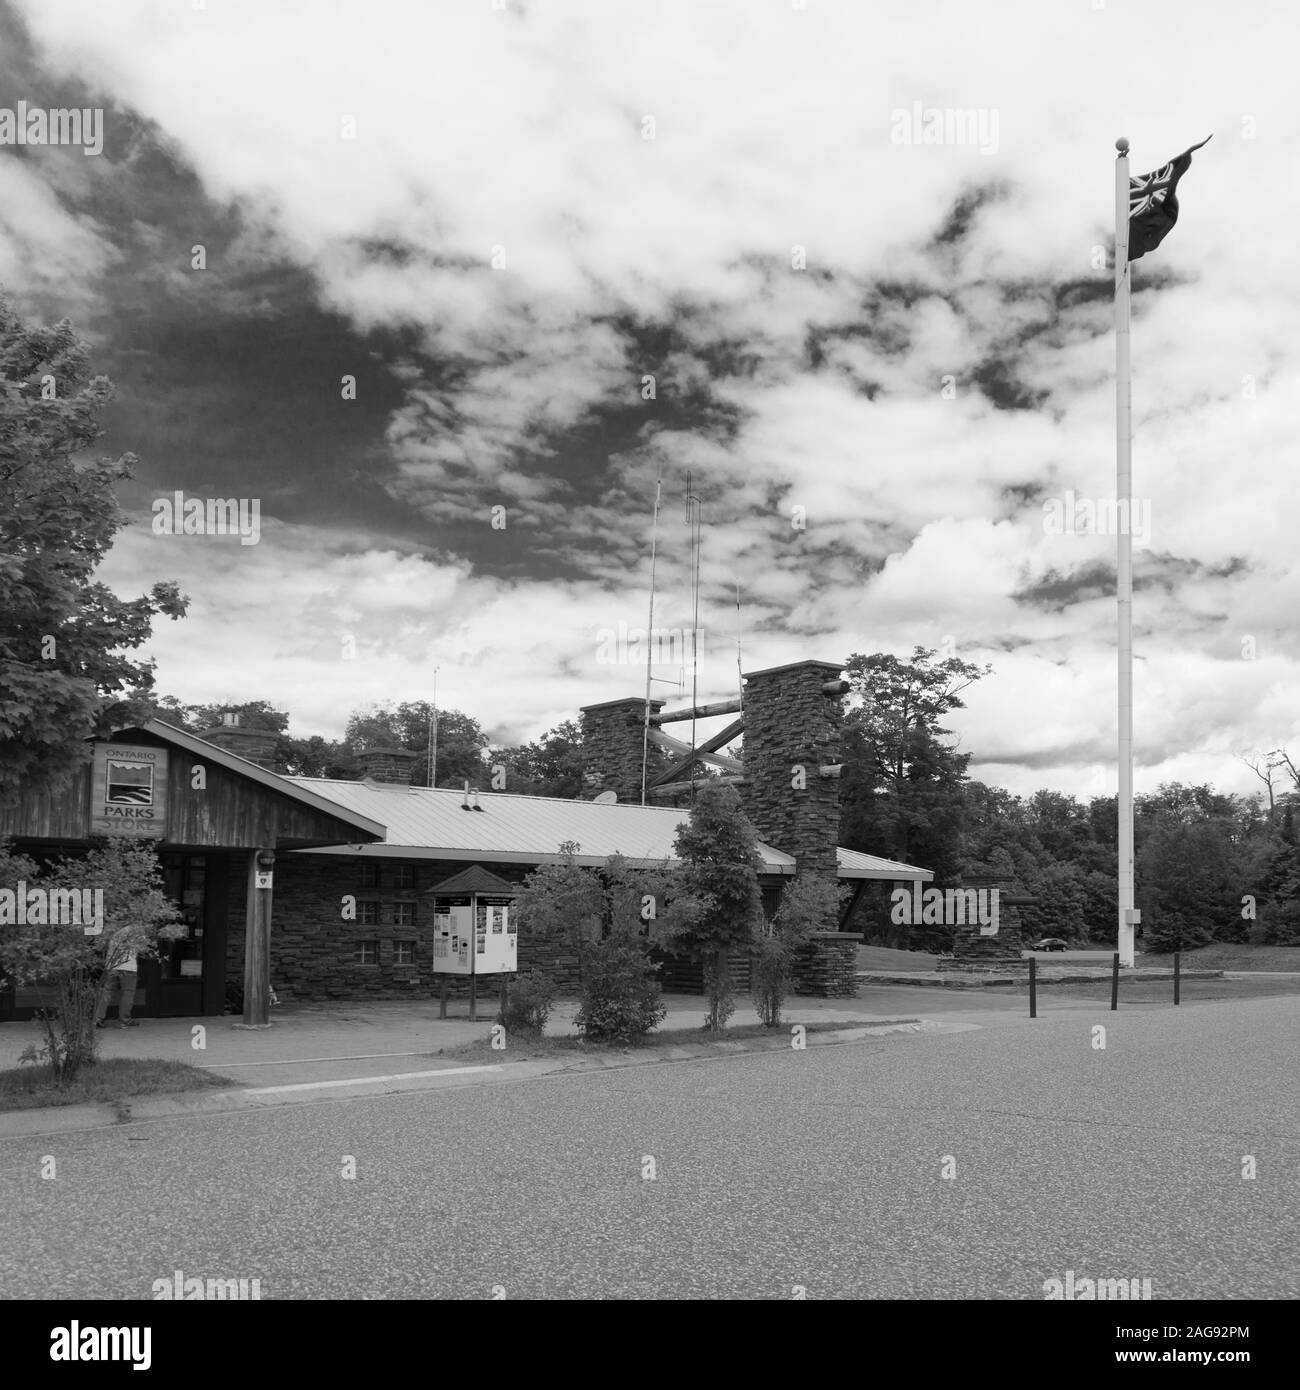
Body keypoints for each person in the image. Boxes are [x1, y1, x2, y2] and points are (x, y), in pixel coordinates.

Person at [95, 924, 148, 1028]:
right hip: (128, 966)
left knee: (107, 991)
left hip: (112, 965)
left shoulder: (111, 928)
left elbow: (99, 947)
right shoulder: (136, 929)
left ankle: (98, 1019)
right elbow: (143, 950)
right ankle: (124, 1020)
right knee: (128, 993)